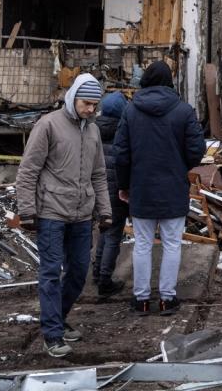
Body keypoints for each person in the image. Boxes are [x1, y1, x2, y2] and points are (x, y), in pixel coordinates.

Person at [16, 73, 112, 358]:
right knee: (50, 273)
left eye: (95, 105)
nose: (91, 110)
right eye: (86, 103)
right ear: (73, 98)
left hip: (82, 215)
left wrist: (104, 211)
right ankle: (52, 335)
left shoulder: (92, 129)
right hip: (51, 214)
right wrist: (27, 211)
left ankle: (58, 317)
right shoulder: (48, 125)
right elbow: (28, 170)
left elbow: (98, 174)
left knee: (79, 272)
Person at [114, 61, 205, 316]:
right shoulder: (184, 111)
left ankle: (141, 299)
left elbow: (121, 154)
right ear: (169, 81)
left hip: (140, 188)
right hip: (173, 187)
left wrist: (124, 185)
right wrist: (179, 165)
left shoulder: (131, 111)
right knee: (172, 244)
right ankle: (167, 299)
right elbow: (197, 150)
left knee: (142, 244)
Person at [92, 91, 130, 298]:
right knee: (113, 234)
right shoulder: (123, 132)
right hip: (116, 191)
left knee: (102, 231)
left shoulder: (92, 130)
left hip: (96, 191)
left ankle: (97, 273)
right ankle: (105, 280)